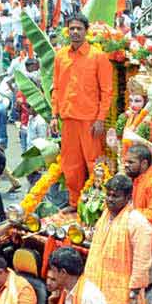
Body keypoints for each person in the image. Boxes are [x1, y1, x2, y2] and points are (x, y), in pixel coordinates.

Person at [83, 174, 152, 304]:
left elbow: (142, 262)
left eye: (116, 196)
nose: (110, 199)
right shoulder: (105, 215)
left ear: (129, 198)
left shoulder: (138, 223)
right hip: (97, 289)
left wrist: (133, 295)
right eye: (109, 195)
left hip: (122, 296)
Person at [51, 13, 113, 209]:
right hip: (68, 118)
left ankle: (98, 204)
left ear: (86, 31)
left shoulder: (98, 56)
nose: (75, 32)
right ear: (67, 31)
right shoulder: (61, 56)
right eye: (72, 28)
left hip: (90, 120)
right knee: (71, 164)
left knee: (94, 163)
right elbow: (57, 88)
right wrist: (54, 115)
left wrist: (100, 119)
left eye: (79, 28)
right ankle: (74, 202)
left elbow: (107, 90)